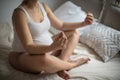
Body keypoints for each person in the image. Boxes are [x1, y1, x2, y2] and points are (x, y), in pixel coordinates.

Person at [8, 0, 94, 79]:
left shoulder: (43, 6)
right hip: (24, 55)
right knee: (44, 60)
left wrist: (83, 23)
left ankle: (61, 64)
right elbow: (28, 46)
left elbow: (61, 25)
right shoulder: (19, 13)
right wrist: (52, 47)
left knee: (74, 33)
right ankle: (72, 64)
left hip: (48, 48)